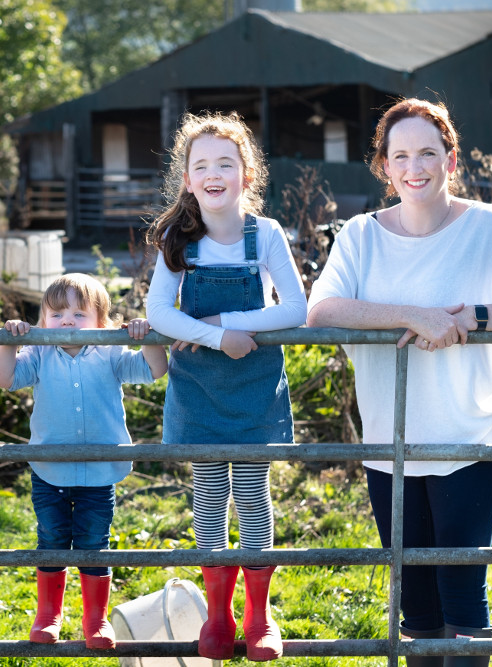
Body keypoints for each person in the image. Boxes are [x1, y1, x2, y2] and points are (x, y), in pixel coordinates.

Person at [307, 98, 492, 667]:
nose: (415, 167)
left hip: (468, 439)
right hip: (390, 445)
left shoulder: (486, 226)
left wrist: (470, 317)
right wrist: (412, 314)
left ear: (450, 159)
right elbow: (322, 310)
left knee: (461, 600)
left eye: (428, 152)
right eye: (399, 155)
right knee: (416, 607)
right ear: (383, 165)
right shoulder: (359, 235)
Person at [145, 111, 307, 662]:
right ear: (187, 179)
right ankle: (219, 616)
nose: (214, 174)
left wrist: (225, 326)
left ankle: (260, 618)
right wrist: (217, 341)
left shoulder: (266, 235)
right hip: (199, 384)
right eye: (201, 166)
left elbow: (298, 310)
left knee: (254, 495)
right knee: (212, 492)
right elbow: (157, 314)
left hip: (255, 382)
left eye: (226, 163)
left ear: (246, 173)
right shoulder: (178, 238)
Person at [0, 273, 168, 649]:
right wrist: (9, 341)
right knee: (52, 538)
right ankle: (48, 616)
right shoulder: (37, 352)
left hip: (100, 471)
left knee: (92, 543)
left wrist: (147, 335)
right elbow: (4, 378)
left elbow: (154, 370)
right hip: (49, 469)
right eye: (56, 314)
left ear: (101, 323)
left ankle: (95, 620)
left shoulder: (111, 351)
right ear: (41, 321)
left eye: (78, 313)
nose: (66, 321)